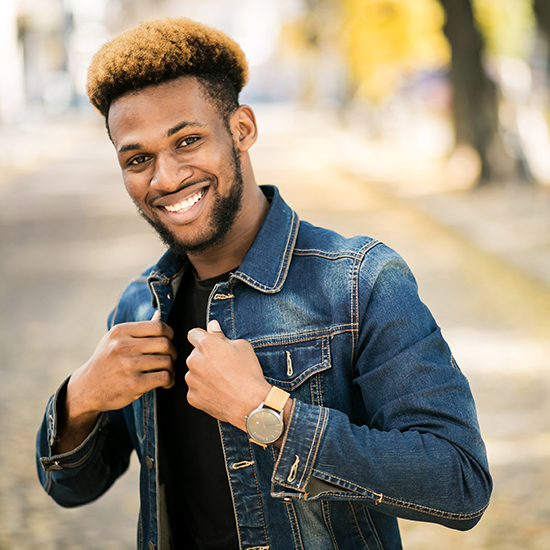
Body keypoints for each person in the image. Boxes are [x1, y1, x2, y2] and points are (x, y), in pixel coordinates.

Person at [36, 17, 492, 550]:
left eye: (187, 140)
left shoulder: (358, 281)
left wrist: (266, 412)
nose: (164, 177)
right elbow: (72, 488)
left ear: (242, 130)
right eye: (138, 159)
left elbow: (460, 483)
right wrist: (79, 400)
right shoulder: (140, 305)